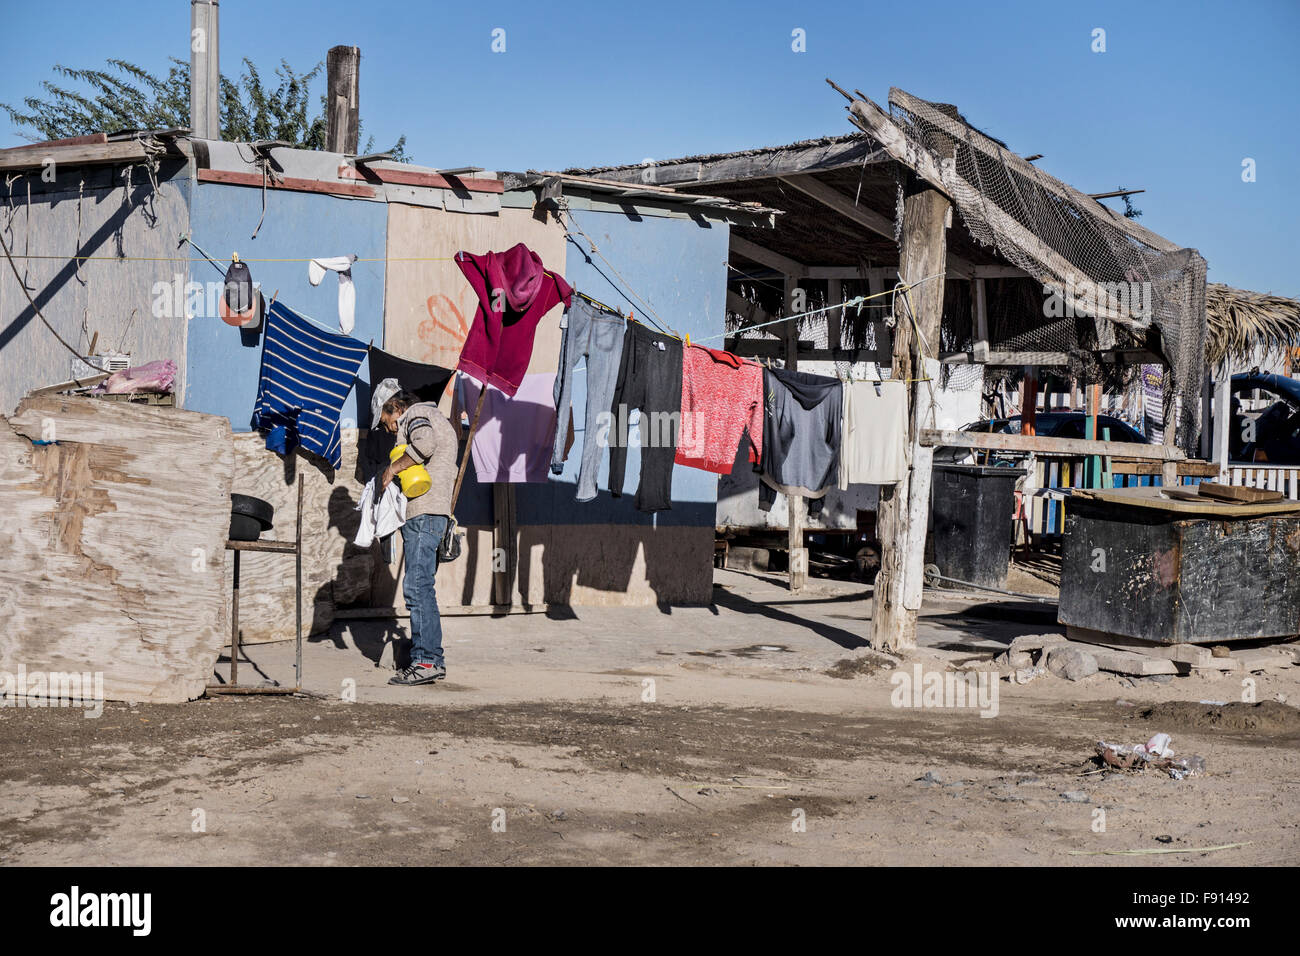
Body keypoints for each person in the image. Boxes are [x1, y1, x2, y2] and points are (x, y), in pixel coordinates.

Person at [377, 389, 459, 685]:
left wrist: (393, 469)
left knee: (416, 586)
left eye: (388, 422)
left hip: (424, 514)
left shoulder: (416, 414)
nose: (390, 429)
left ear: (396, 407)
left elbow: (425, 444)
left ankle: (427, 661)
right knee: (423, 585)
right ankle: (428, 656)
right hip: (434, 514)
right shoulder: (436, 416)